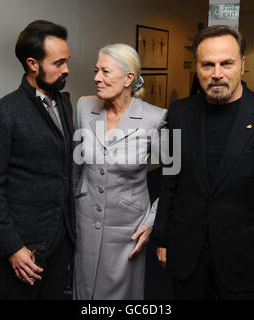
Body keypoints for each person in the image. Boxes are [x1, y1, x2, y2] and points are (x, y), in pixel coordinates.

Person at [153, 25, 254, 300]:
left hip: (245, 258)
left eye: (226, 63)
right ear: (197, 67)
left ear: (242, 64)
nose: (217, 73)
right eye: (208, 64)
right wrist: (163, 239)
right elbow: (170, 181)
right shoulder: (180, 113)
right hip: (188, 254)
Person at [0, 20, 75, 300]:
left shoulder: (64, 103)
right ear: (33, 64)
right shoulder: (2, 114)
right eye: (58, 63)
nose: (66, 69)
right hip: (26, 246)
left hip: (62, 237)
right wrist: (12, 247)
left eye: (67, 61)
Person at [73, 44, 167, 300]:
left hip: (128, 226)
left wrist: (152, 221)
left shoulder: (157, 118)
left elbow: (178, 176)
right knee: (84, 288)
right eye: (96, 70)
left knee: (119, 293)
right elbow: (75, 165)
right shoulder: (83, 107)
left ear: (129, 79)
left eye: (105, 71)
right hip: (85, 217)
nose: (96, 78)